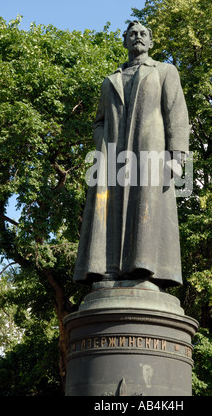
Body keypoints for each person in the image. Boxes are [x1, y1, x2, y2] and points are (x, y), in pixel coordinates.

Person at [73, 21, 190, 288]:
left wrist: (178, 154)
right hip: (113, 157)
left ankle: (144, 271)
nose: (137, 37)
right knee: (109, 210)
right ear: (125, 42)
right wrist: (103, 143)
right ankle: (108, 270)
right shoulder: (110, 80)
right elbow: (99, 121)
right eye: (132, 34)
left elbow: (177, 113)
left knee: (146, 207)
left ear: (150, 43)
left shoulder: (164, 71)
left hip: (150, 152)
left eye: (143, 34)